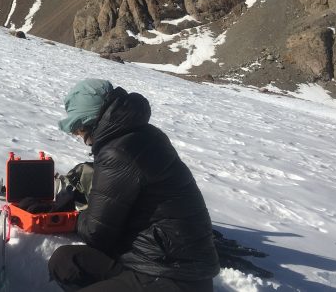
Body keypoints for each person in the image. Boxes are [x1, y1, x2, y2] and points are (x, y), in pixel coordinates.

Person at [48, 79, 220, 292]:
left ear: (92, 121)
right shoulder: (140, 135)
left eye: (79, 129)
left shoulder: (118, 152)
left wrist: (71, 215)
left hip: (172, 275)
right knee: (66, 262)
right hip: (147, 258)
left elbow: (97, 234)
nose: (80, 137)